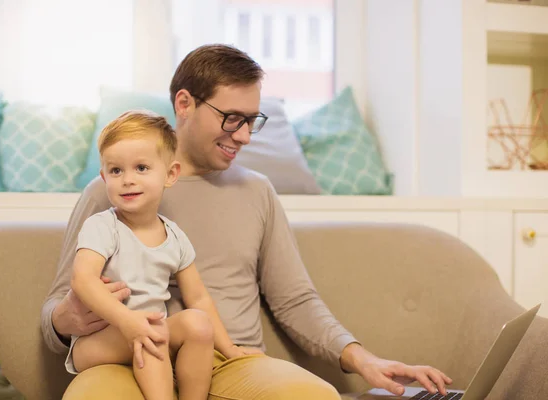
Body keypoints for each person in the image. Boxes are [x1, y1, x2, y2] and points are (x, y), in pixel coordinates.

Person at [42, 44, 453, 399]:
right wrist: (66, 320)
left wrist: (364, 359)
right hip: (122, 356)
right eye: (232, 118)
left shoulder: (257, 192)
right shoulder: (110, 191)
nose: (244, 136)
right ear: (184, 104)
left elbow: (294, 300)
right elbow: (57, 311)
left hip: (228, 361)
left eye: (252, 120)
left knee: (314, 395)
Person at [64, 110, 259, 400]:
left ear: (170, 174)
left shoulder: (175, 236)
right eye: (116, 171)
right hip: (99, 341)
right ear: (104, 176)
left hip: (149, 330)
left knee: (196, 323)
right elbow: (83, 280)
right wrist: (127, 321)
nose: (128, 180)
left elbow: (199, 298)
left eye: (141, 168)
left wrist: (229, 348)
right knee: (151, 332)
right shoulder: (103, 226)